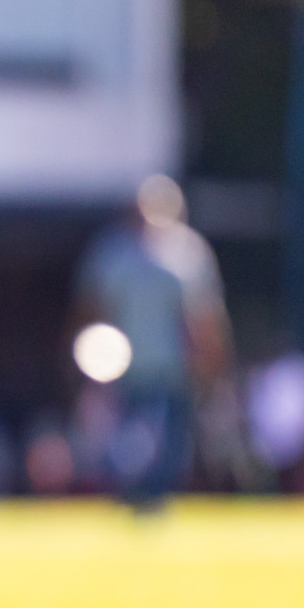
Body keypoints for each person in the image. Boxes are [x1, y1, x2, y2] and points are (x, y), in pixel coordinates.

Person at [73, 174, 238, 505]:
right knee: (127, 447)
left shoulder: (188, 255)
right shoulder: (114, 255)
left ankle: (152, 503)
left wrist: (211, 365)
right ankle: (136, 500)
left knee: (168, 448)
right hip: (125, 373)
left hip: (173, 370)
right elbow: (93, 315)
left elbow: (203, 320)